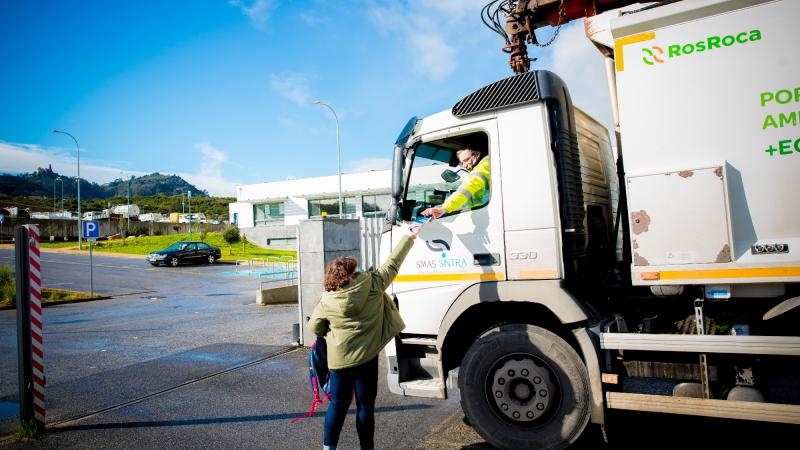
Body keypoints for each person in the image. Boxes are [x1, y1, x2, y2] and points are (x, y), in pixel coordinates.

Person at [309, 225, 421, 450]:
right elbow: (392, 263)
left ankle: (329, 447)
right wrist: (409, 236)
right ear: (352, 273)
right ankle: (366, 447)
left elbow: (315, 328)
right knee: (365, 407)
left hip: (338, 362)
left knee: (338, 405)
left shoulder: (327, 299)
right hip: (366, 361)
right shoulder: (372, 284)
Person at [421, 143, 490, 221]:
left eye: (466, 160)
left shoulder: (483, 167)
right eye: (462, 162)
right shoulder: (489, 164)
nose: (464, 166)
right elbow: (471, 198)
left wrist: (444, 208)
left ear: (477, 154)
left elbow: (466, 189)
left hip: (485, 215)